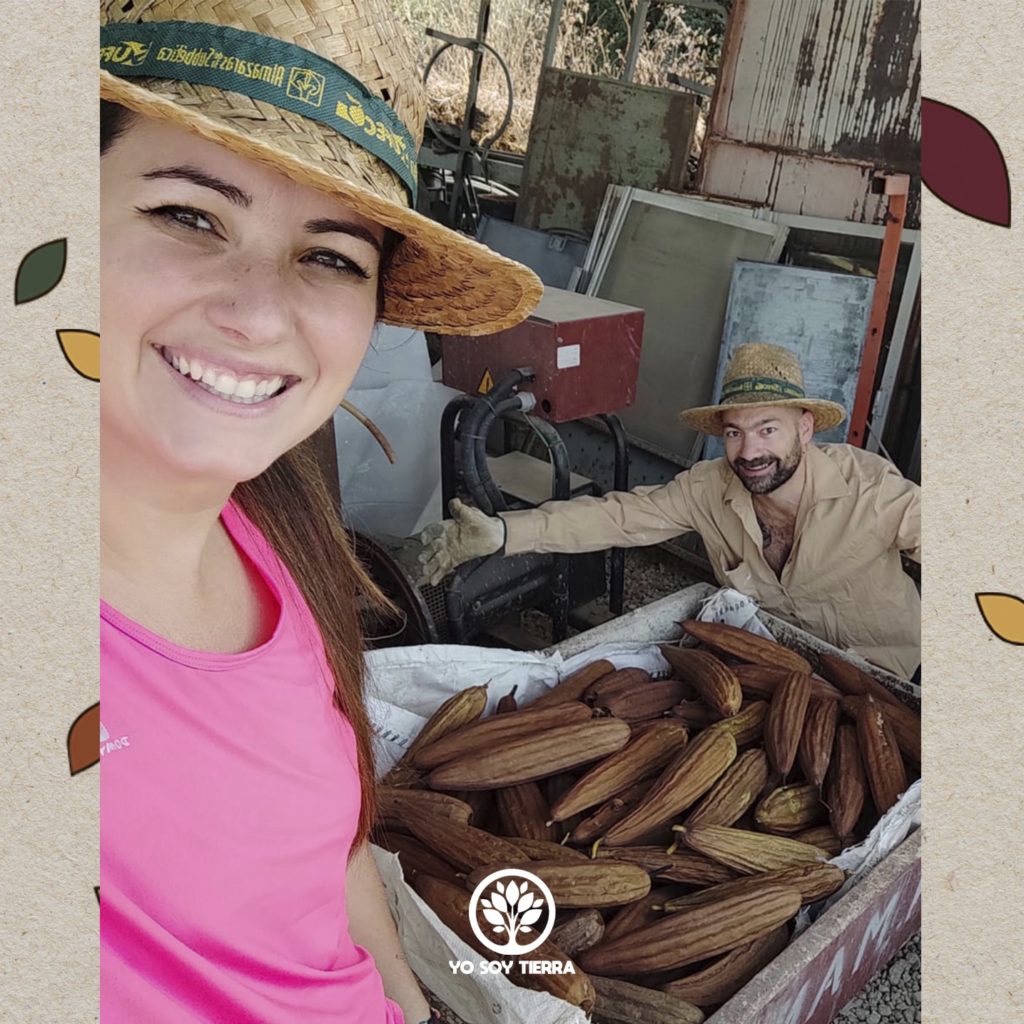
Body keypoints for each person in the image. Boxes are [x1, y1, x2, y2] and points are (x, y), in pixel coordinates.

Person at [98, 2, 541, 1022]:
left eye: (330, 256)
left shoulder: (282, 536)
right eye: (189, 215)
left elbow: (335, 867)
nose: (259, 311)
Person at [419, 343, 920, 678]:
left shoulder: (869, 491)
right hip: (776, 666)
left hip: (886, 676)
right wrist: (503, 532)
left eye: (768, 429)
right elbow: (618, 517)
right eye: (734, 432)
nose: (749, 452)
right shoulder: (710, 489)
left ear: (806, 430)